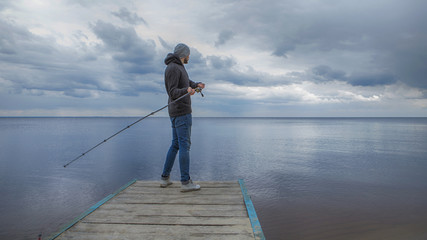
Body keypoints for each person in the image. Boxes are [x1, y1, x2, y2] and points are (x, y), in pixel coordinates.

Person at [160, 43, 205, 192]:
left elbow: (186, 83)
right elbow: (173, 92)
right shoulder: (173, 68)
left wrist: (195, 84)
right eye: (188, 54)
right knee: (185, 145)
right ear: (183, 54)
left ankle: (165, 179)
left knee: (176, 145)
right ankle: (186, 182)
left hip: (175, 112)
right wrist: (186, 90)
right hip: (181, 112)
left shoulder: (178, 67)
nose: (189, 57)